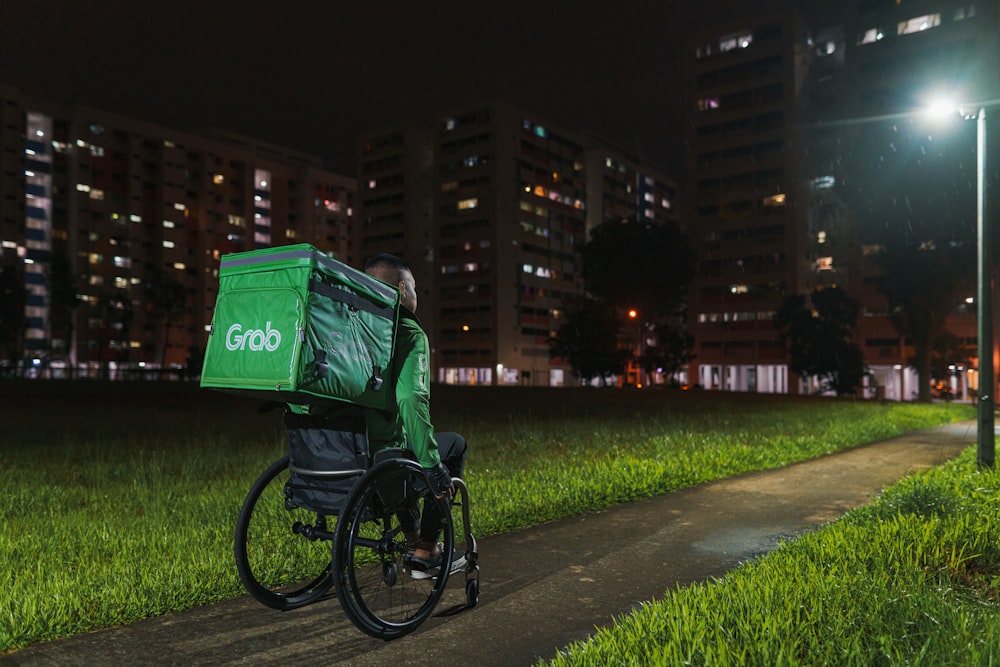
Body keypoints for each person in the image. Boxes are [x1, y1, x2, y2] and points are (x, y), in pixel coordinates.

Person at [363, 253, 468, 577]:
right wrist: (433, 468)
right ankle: (425, 549)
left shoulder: (348, 330)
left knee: (404, 440)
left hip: (340, 461)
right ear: (400, 289)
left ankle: (411, 536)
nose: (415, 294)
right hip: (384, 467)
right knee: (451, 446)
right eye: (414, 286)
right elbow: (411, 399)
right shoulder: (407, 334)